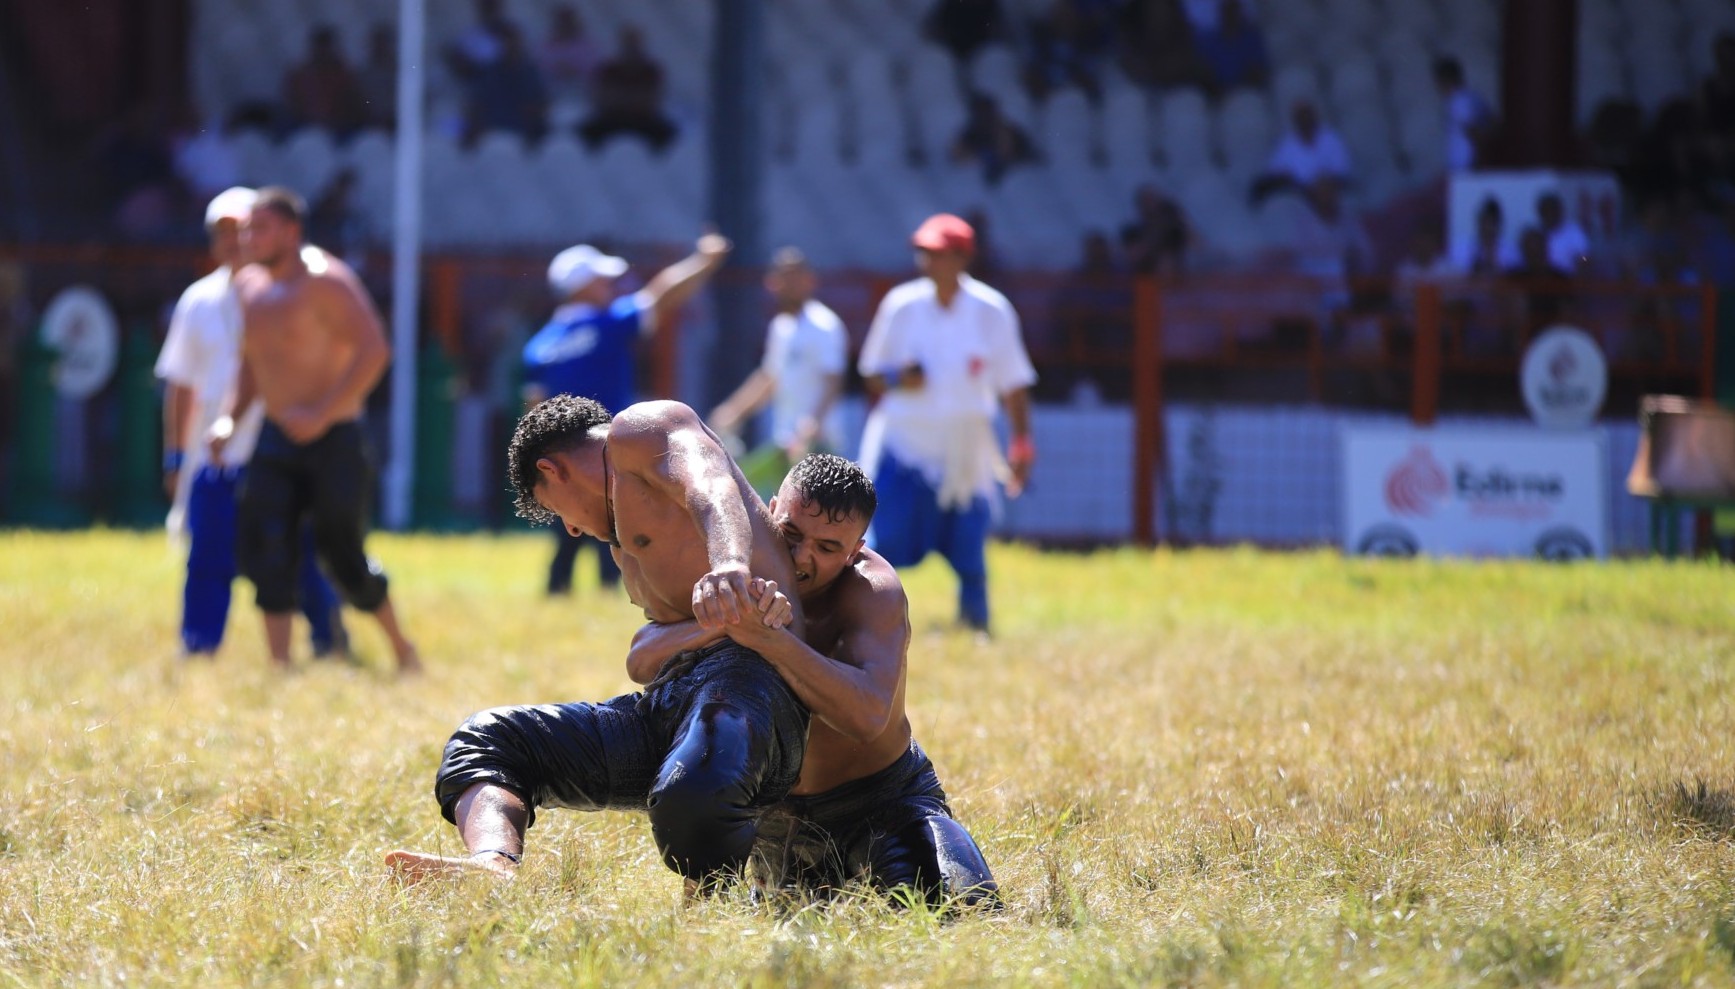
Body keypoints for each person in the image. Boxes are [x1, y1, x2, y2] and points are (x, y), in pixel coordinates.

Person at [384, 393, 811, 890]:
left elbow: (711, 489)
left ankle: (715, 899)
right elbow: (650, 650)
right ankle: (494, 867)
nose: (569, 527)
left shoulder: (646, 430)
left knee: (694, 786)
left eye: (555, 509)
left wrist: (730, 567)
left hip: (752, 688)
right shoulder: (622, 545)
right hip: (670, 707)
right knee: (487, 739)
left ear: (555, 469)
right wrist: (717, 623)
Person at [625, 454, 999, 907]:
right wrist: (724, 621)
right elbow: (641, 660)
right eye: (791, 534)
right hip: (774, 818)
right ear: (770, 510)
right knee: (741, 924)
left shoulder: (872, 591)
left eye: (826, 548)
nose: (802, 559)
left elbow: (866, 716)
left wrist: (770, 640)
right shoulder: (736, 560)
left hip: (882, 802)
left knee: (966, 911)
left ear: (856, 548)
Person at [210, 186, 420, 673]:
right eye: (244, 230)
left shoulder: (327, 280)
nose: (247, 239)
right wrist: (229, 418)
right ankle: (280, 665)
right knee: (266, 544)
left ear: (291, 231)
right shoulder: (247, 286)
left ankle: (401, 649)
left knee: (342, 552)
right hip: (276, 437)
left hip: (336, 438)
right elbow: (252, 363)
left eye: (259, 229)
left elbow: (375, 352)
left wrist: (323, 414)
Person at [155, 187, 345, 660]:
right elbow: (180, 385)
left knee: (298, 553)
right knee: (208, 559)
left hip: (281, 448)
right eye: (222, 232)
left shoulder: (294, 292)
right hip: (217, 455)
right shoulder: (197, 301)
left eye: (243, 230)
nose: (234, 241)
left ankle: (328, 639)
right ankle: (199, 645)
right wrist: (176, 455)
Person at [857, 213, 1036, 635]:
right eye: (923, 252)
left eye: (938, 253)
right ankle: (872, 624)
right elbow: (870, 375)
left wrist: (1022, 444)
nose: (927, 261)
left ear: (962, 257)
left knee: (969, 543)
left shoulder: (992, 310)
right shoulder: (901, 305)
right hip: (906, 444)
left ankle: (975, 624)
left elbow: (1014, 384)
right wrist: (902, 378)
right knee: (886, 539)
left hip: (965, 450)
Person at [526, 232, 732, 596]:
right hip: (610, 449)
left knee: (573, 524)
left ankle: (560, 588)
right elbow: (661, 295)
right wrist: (703, 262)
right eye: (600, 278)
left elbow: (534, 404)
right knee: (616, 518)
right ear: (581, 285)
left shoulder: (541, 346)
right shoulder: (607, 325)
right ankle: (610, 586)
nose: (610, 283)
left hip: (563, 459)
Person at [709, 247, 849, 501]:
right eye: (784, 277)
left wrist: (812, 424)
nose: (790, 284)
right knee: (745, 495)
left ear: (810, 280)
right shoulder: (780, 327)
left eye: (796, 276)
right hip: (783, 442)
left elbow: (833, 380)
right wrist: (732, 411)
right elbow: (769, 377)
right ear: (772, 283)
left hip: (816, 446)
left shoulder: (824, 325)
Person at [577, 25, 678, 153]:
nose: (631, 46)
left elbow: (652, 99)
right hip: (613, 117)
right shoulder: (609, 69)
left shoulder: (651, 70)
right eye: (628, 42)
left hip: (642, 118)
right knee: (585, 131)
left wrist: (624, 98)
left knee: (667, 133)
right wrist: (630, 98)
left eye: (634, 42)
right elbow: (602, 97)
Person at [1250, 101, 1351, 205]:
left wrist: (1324, 184)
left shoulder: (1330, 138)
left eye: (1308, 116)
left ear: (1314, 118)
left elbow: (1343, 170)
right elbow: (1274, 173)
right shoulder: (1287, 144)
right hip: (1301, 195)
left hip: (1331, 190)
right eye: (1301, 118)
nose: (1305, 121)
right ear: (1296, 121)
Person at [1433, 55, 1494, 173]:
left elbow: (1473, 131)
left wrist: (1478, 162)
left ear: (1445, 79)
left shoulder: (1459, 101)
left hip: (1467, 168)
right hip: (1465, 168)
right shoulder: (1472, 97)